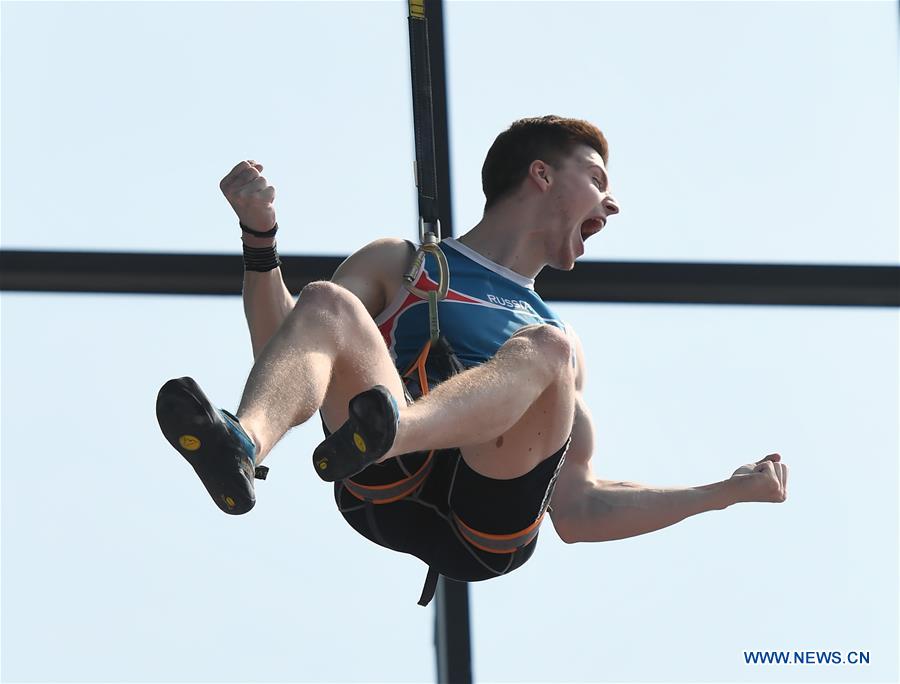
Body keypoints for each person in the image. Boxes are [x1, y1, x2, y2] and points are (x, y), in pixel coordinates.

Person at [156, 115, 788, 606]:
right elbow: (289, 353)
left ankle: (393, 428)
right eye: (597, 180)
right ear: (542, 176)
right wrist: (260, 240)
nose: (612, 203)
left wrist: (722, 494)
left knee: (550, 349)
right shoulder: (404, 263)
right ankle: (241, 446)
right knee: (325, 302)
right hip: (382, 483)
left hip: (483, 520)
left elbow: (579, 509)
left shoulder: (553, 343)